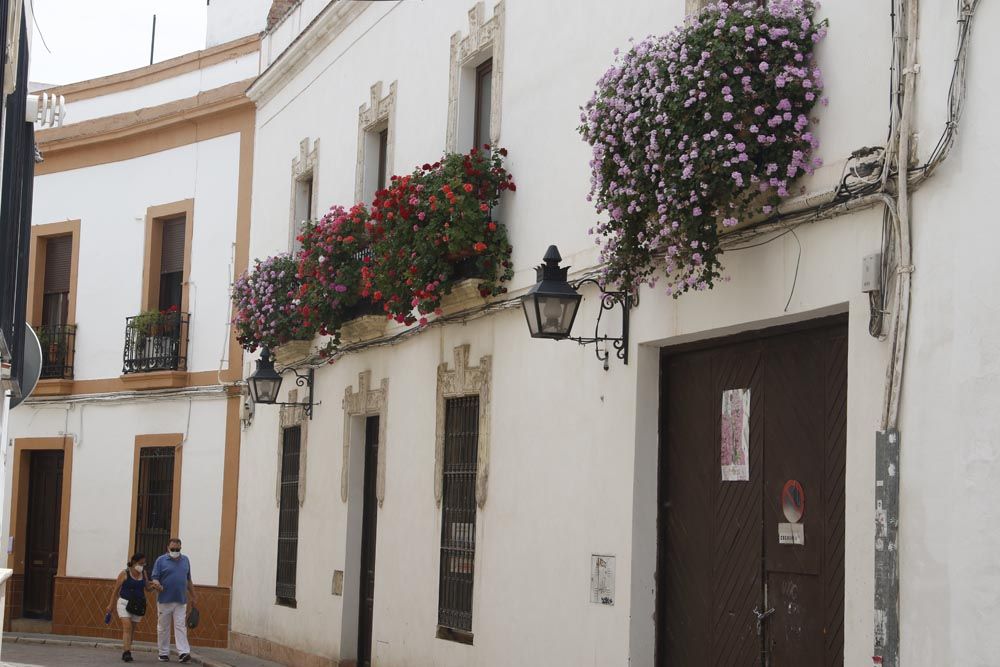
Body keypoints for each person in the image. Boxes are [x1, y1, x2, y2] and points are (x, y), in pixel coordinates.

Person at [150, 538, 197, 663]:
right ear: (168, 548)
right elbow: (154, 578)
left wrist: (193, 596)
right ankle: (163, 653)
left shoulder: (185, 560)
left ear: (181, 548)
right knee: (163, 627)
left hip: (181, 600)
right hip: (164, 600)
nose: (175, 551)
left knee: (181, 626)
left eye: (177, 549)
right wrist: (157, 585)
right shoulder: (161, 561)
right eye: (173, 549)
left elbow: (188, 580)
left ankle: (183, 652)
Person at [105, 552, 155, 663]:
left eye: (143, 564)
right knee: (127, 626)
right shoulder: (124, 573)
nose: (142, 566)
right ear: (133, 562)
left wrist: (154, 587)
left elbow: (147, 588)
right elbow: (116, 590)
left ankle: (127, 649)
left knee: (132, 629)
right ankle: (126, 652)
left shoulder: (144, 573)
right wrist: (110, 605)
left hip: (138, 605)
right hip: (124, 603)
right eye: (140, 563)